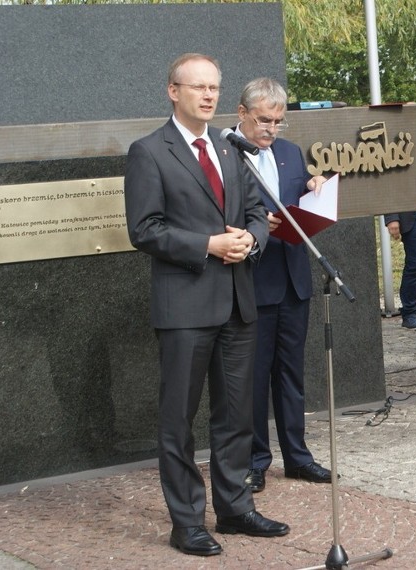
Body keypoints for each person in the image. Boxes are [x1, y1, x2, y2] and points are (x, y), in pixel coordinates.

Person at [124, 54, 285, 557]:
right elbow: (144, 229)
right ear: (173, 91)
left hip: (238, 302)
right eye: (198, 87)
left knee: (236, 416)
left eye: (215, 87)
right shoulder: (149, 151)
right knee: (179, 420)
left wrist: (251, 239)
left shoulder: (230, 145)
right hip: (185, 307)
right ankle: (187, 522)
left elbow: (258, 210)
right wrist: (209, 245)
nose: (209, 96)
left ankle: (235, 509)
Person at [230, 78, 332, 492]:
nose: (271, 129)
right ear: (241, 114)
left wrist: (315, 188)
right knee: (254, 377)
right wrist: (257, 227)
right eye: (263, 120)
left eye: (278, 121)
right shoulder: (226, 156)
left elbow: (297, 194)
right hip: (252, 280)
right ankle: (255, 461)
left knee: (291, 374)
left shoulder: (290, 153)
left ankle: (297, 456)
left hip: (294, 279)